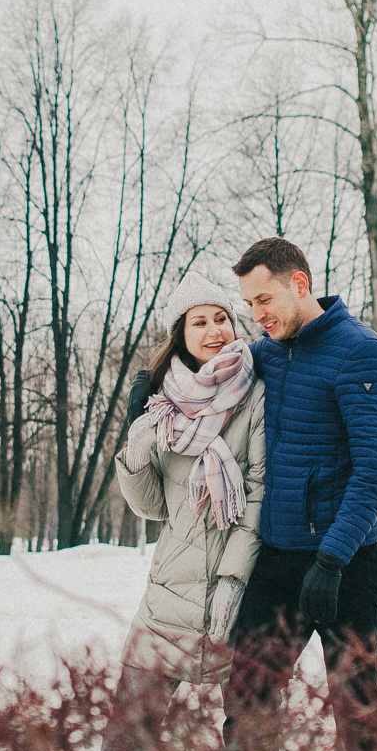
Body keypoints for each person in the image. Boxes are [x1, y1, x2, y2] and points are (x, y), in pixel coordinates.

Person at [225, 236, 377, 751]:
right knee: (247, 700)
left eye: (264, 299)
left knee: (356, 705)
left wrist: (331, 558)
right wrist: (152, 388)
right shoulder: (269, 353)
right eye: (249, 304)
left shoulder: (361, 353)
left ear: (299, 284)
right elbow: (206, 372)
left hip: (345, 563)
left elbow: (375, 469)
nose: (257, 315)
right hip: (276, 560)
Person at [115, 275, 267, 674]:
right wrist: (137, 447)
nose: (214, 331)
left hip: (238, 596)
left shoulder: (256, 394)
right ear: (181, 335)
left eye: (221, 318)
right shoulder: (162, 402)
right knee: (131, 713)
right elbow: (153, 507)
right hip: (167, 595)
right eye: (199, 322)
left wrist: (232, 580)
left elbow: (259, 493)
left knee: (245, 714)